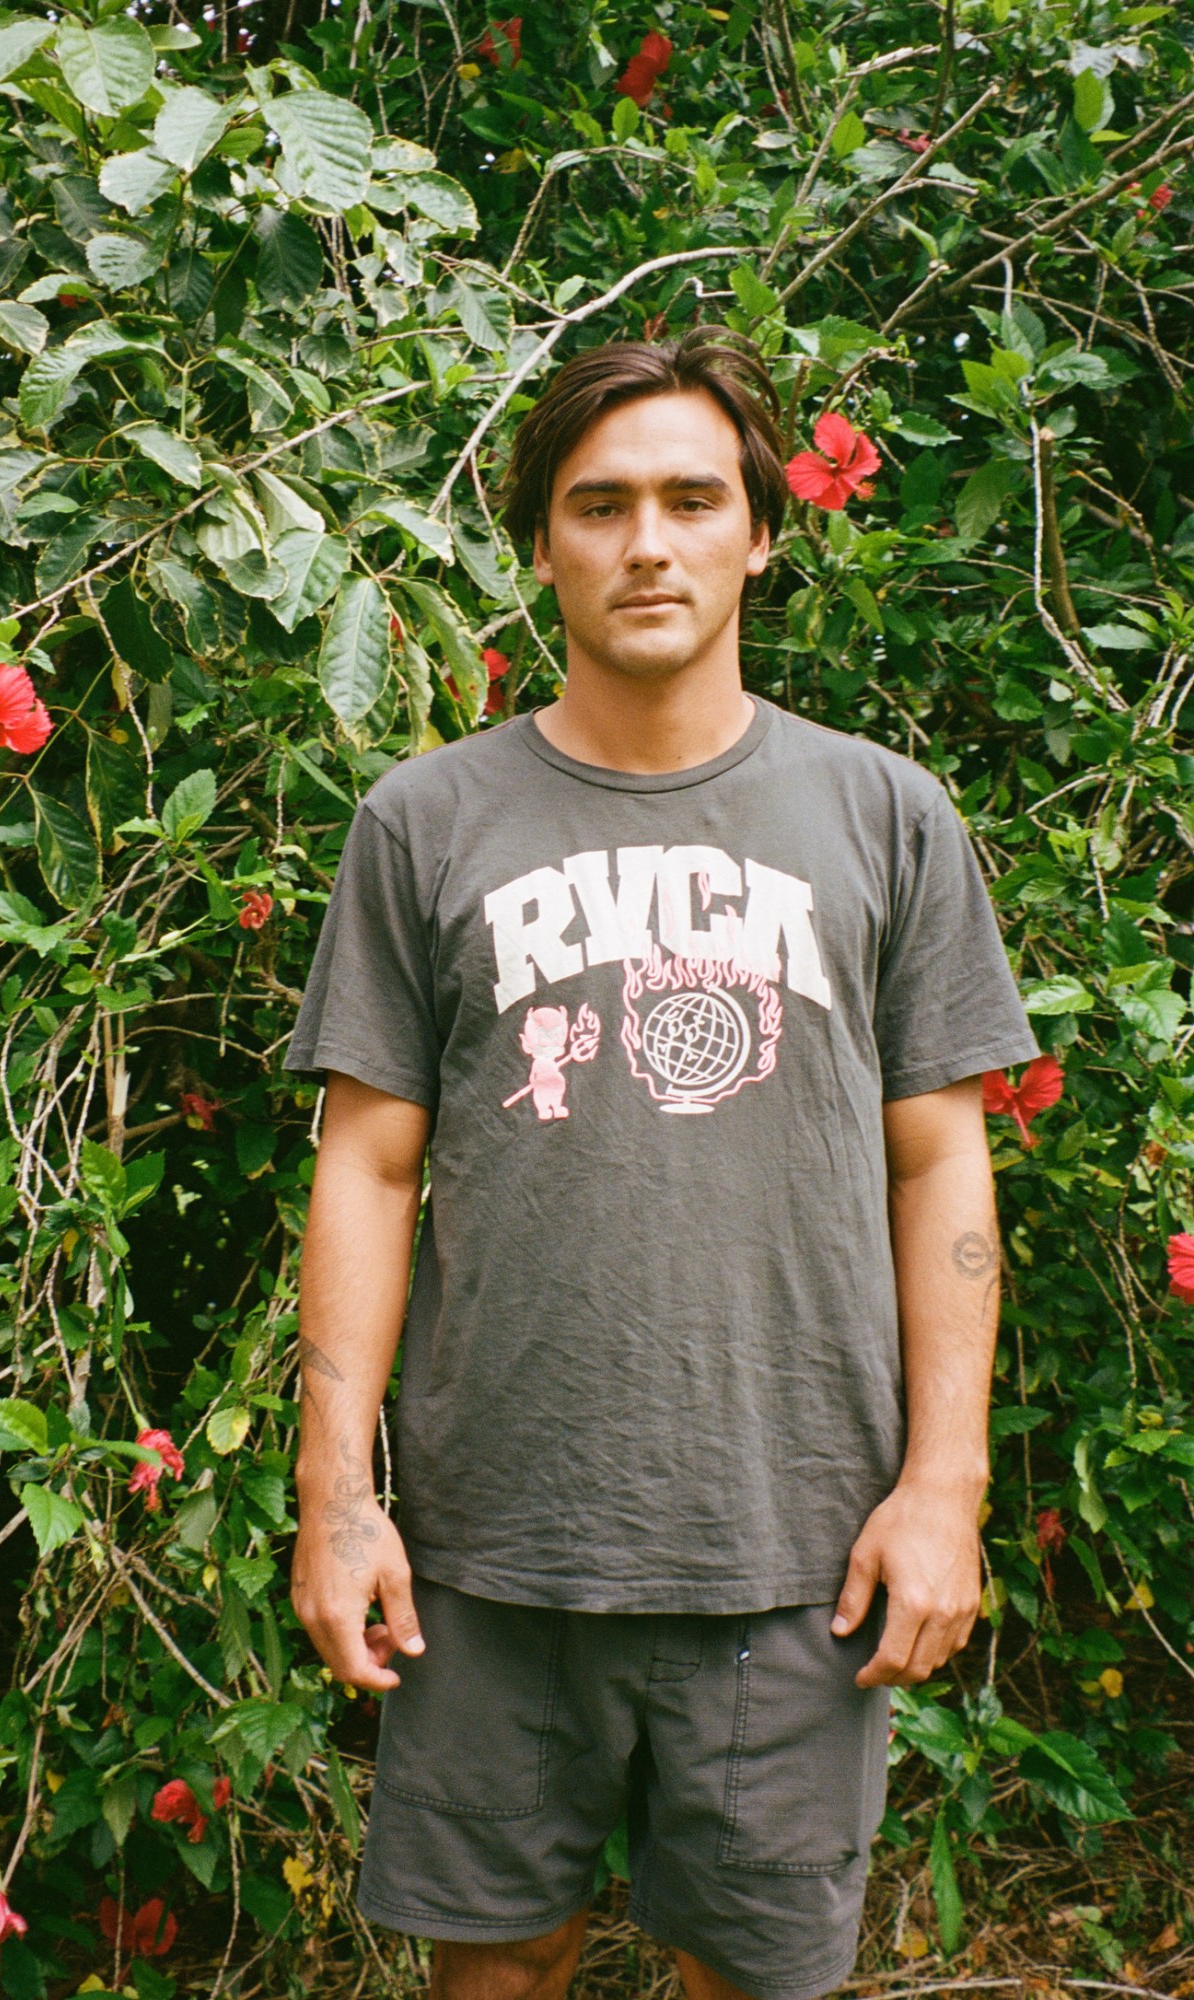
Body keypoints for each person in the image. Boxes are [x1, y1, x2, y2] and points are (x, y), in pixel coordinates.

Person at [284, 327, 1040, 2000]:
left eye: (692, 500)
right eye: (598, 503)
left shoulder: (882, 817)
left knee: (754, 1975)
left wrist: (946, 1483)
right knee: (497, 1967)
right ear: (539, 542)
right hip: (493, 1548)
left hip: (796, 1548)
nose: (646, 543)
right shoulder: (425, 823)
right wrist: (337, 1500)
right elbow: (365, 1170)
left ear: (761, 531)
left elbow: (940, 1167)